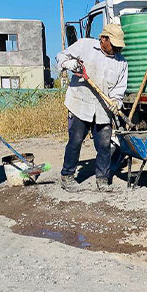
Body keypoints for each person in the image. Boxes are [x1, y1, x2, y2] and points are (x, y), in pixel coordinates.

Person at [56, 24, 127, 192]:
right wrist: (70, 64)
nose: (116, 49)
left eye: (119, 46)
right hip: (80, 103)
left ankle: (102, 179)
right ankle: (67, 176)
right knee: (75, 141)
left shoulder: (121, 62)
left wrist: (116, 102)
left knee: (104, 145)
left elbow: (119, 88)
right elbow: (60, 56)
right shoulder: (85, 45)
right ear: (104, 39)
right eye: (114, 45)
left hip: (103, 109)